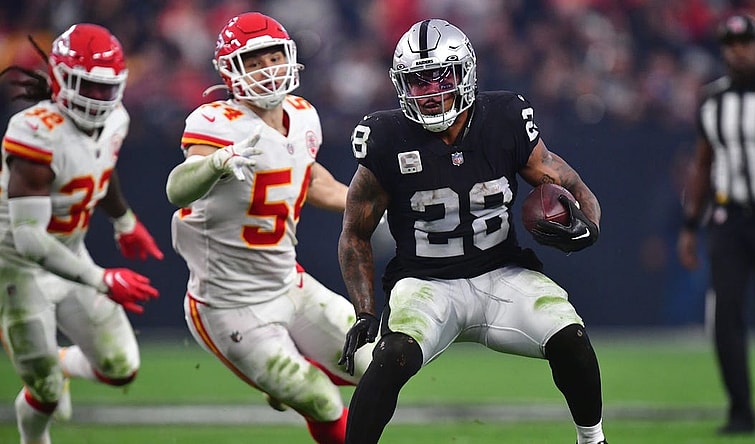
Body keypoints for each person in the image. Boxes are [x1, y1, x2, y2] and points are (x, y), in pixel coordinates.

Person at [338, 19, 608, 444]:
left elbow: (573, 185)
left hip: (501, 274)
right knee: (390, 358)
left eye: (440, 77)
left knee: (570, 336)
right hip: (426, 284)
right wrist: (366, 311)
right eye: (418, 81)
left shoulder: (504, 118)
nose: (429, 92)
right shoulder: (385, 137)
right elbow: (355, 234)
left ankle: (593, 440)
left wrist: (588, 227)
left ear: (465, 73)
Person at [165, 12, 373, 444]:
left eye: (274, 57)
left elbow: (308, 178)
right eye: (255, 61)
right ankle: (293, 380)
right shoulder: (217, 122)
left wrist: (370, 206)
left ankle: (290, 373)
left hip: (287, 281)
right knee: (320, 399)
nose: (268, 69)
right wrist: (216, 163)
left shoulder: (302, 114)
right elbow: (177, 189)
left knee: (377, 364)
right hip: (229, 303)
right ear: (230, 70)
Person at [0, 23, 163, 444]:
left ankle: (58, 361)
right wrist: (102, 279)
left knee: (121, 366)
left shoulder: (116, 119)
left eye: (104, 88)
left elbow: (98, 170)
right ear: (59, 78)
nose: (96, 98)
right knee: (46, 391)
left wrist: (125, 221)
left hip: (70, 255)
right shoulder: (35, 131)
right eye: (86, 86)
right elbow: (30, 239)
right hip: (17, 271)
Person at [677, 13, 755, 436]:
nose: (738, 51)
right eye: (730, 44)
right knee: (725, 316)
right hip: (728, 221)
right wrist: (691, 224)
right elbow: (703, 163)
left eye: (746, 43)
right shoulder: (713, 100)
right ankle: (741, 411)